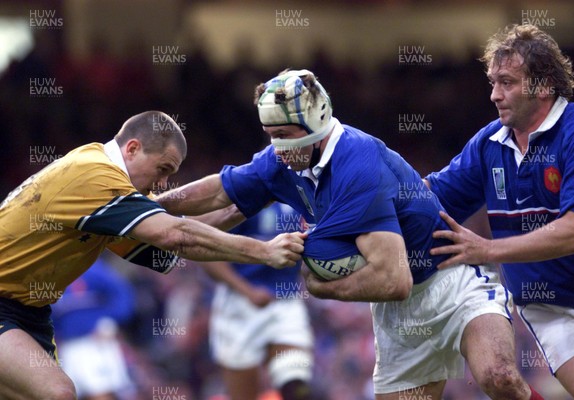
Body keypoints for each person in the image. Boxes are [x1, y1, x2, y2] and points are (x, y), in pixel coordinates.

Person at [157, 70, 543, 399]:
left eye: (285, 133)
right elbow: (219, 191)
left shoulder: (358, 164)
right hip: (399, 316)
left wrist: (323, 288)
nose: (277, 146)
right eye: (270, 134)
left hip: (451, 280)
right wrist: (155, 205)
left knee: (500, 378)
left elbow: (394, 279)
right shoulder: (282, 160)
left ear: (317, 120)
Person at [0, 110, 305, 400]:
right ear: (132, 148)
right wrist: (263, 250)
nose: (161, 184)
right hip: (6, 304)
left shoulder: (103, 191)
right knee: (57, 392)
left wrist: (251, 200)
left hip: (29, 312)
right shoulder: (95, 177)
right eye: (162, 170)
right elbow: (176, 235)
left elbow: (177, 234)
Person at [425, 24, 574, 399]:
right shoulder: (489, 144)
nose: (494, 95)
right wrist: (354, 203)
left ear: (544, 85)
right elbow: (428, 199)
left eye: (507, 82)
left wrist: (487, 250)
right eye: (493, 82)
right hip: (555, 311)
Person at [204, 202, 314, 400]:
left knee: (296, 386)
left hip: (286, 303)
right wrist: (248, 292)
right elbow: (208, 257)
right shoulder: (240, 198)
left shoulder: (301, 196)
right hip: (239, 306)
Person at [52, 254, 136, 400]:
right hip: (69, 346)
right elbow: (47, 314)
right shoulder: (52, 275)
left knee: (102, 390)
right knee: (72, 393)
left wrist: (110, 322)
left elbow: (123, 294)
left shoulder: (93, 268)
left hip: (96, 342)